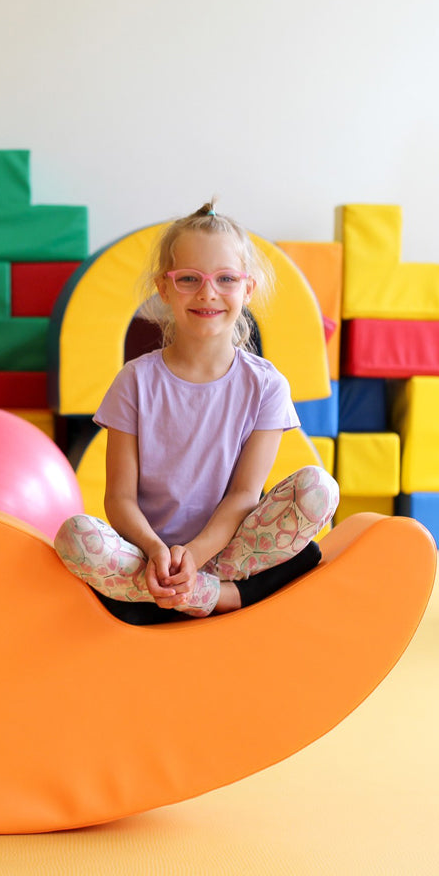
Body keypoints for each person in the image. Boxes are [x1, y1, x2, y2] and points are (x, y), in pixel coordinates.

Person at [54, 202, 339, 623]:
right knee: (74, 536)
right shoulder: (135, 381)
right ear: (164, 289)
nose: (208, 292)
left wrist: (197, 555)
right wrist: (157, 552)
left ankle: (185, 594)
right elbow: (118, 497)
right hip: (145, 557)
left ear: (248, 289)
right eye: (189, 279)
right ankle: (211, 596)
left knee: (319, 489)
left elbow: (244, 494)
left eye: (226, 279)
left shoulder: (266, 385)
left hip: (228, 552)